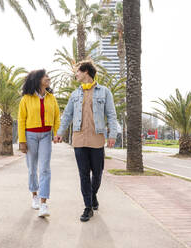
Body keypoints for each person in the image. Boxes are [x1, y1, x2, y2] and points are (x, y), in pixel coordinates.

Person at [54, 61, 117, 222]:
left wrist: (113, 135)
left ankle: (93, 194)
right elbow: (67, 115)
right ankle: (88, 206)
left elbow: (111, 115)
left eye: (78, 72)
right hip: (79, 139)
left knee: (97, 173)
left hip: (97, 139)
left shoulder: (104, 92)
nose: (76, 75)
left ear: (86, 71)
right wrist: (60, 132)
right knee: (83, 174)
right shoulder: (75, 94)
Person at [18, 69, 60, 217]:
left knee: (45, 169)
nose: (48, 78)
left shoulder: (51, 98)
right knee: (32, 168)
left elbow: (56, 117)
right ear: (37, 80)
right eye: (45, 76)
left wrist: (57, 133)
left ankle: (43, 204)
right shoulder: (26, 99)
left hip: (46, 136)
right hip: (30, 135)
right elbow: (21, 120)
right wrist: (22, 141)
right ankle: (34, 195)